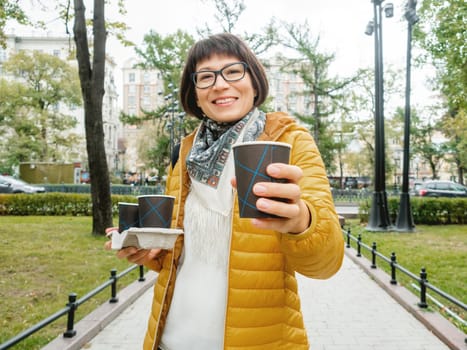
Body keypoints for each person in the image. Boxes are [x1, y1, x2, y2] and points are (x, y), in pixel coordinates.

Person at [106, 32, 344, 350]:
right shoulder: (185, 152)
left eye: (232, 72)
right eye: (205, 77)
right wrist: (146, 251)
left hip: (260, 340)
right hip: (171, 339)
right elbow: (175, 256)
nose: (219, 84)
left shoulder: (290, 140)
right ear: (195, 94)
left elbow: (326, 263)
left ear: (255, 81)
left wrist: (302, 221)